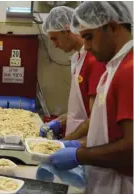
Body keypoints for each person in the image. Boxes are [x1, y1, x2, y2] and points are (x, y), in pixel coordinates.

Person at [49, 2, 133, 193]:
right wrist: (73, 144)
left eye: (88, 37)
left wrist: (79, 154)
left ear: (112, 27)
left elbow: (131, 150)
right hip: (104, 179)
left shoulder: (129, 71)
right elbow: (106, 131)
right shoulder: (112, 69)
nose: (85, 47)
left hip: (121, 185)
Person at [40, 6, 106, 145]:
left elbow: (96, 116)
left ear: (67, 30)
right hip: (78, 140)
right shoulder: (78, 59)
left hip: (88, 145)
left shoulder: (94, 61)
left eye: (55, 39)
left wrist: (66, 143)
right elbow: (80, 111)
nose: (55, 45)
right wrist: (60, 121)